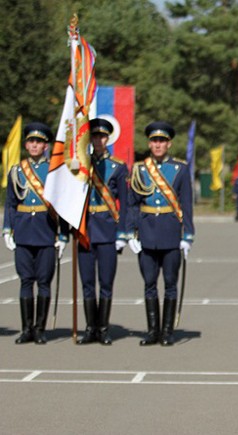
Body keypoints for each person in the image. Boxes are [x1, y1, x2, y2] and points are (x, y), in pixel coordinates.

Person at [127, 121, 194, 346]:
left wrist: (188, 235)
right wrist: (131, 232)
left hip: (171, 232)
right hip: (146, 233)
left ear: (169, 143)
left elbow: (186, 203)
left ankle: (167, 332)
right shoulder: (139, 169)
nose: (158, 145)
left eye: (162, 141)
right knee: (149, 284)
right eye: (154, 141)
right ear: (149, 143)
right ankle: (152, 331)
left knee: (170, 283)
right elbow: (132, 204)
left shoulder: (180, 169)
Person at [2, 122, 68, 344]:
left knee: (44, 282)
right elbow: (11, 203)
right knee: (25, 281)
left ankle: (40, 328)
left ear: (46, 146)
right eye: (31, 141)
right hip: (23, 232)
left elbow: (62, 205)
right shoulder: (16, 171)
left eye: (38, 142)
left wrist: (63, 235)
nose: (34, 145)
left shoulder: (54, 171)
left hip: (46, 231)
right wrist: (7, 230)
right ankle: (26, 328)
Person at [75, 118, 128, 345]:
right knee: (87, 283)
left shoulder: (117, 167)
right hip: (85, 232)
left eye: (103, 136)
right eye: (95, 136)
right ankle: (90, 328)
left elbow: (124, 204)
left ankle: (104, 328)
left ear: (108, 139)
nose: (99, 140)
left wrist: (122, 234)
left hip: (107, 231)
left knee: (105, 283)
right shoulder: (80, 166)